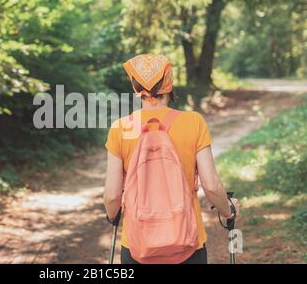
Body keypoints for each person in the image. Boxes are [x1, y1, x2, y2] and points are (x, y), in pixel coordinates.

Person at [103, 54, 240, 264]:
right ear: (169, 83)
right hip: (187, 242)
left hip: (137, 246)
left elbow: (113, 196)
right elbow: (211, 186)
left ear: (135, 86)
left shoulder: (121, 128)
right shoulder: (193, 122)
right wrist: (228, 211)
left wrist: (113, 215)